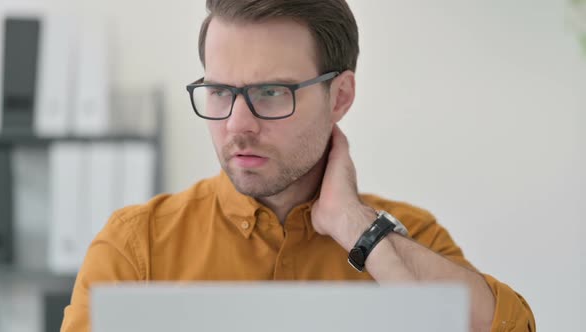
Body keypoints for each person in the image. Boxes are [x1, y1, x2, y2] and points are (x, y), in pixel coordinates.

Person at [61, 0, 535, 331]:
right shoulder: (135, 248)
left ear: (341, 96)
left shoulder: (409, 240)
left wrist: (357, 229)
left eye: (271, 92)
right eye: (221, 91)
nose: (236, 125)